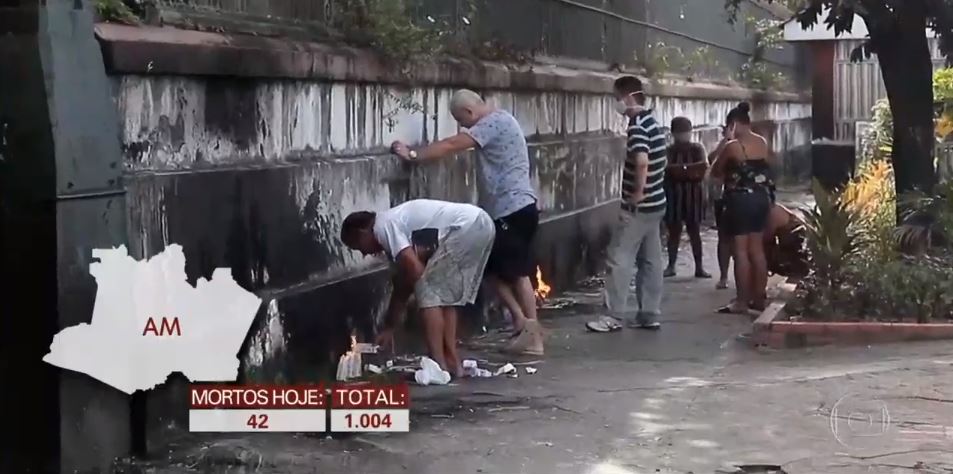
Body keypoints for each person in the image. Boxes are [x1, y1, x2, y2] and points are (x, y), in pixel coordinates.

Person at [389, 89, 543, 355]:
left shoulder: (494, 123)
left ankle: (532, 334)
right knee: (492, 269)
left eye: (461, 119)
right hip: (511, 209)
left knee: (516, 273)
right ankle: (523, 324)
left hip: (511, 209)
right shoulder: (502, 120)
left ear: (470, 112)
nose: (462, 126)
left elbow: (452, 145)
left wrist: (413, 155)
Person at [340, 199, 495, 378]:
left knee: (428, 293)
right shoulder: (395, 224)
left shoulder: (382, 227)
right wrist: (390, 326)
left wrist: (419, 300)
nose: (365, 253)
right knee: (446, 298)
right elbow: (403, 283)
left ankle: (439, 364)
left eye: (358, 247)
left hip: (466, 227)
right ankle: (452, 362)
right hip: (481, 223)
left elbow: (414, 270)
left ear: (362, 233)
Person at [601, 75, 668, 330]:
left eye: (617, 98)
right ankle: (649, 312)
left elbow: (641, 161)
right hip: (656, 204)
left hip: (639, 207)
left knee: (619, 258)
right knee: (651, 260)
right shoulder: (654, 123)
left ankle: (613, 316)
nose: (616, 104)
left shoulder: (638, 126)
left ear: (628, 98)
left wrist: (637, 192)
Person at [711, 102, 776, 314]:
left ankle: (741, 300)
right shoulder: (762, 142)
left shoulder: (733, 146)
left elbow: (714, 171)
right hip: (761, 198)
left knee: (740, 252)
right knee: (756, 250)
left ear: (734, 124)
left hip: (739, 200)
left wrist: (726, 141)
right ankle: (759, 298)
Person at [663, 117, 710, 279]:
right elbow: (667, 170)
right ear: (673, 133)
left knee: (694, 231)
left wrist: (680, 170)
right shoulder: (668, 150)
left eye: (685, 132)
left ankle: (699, 267)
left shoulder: (697, 148)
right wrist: (688, 170)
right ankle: (671, 265)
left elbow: (703, 168)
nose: (684, 136)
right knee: (674, 232)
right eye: (681, 133)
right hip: (674, 195)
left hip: (693, 196)